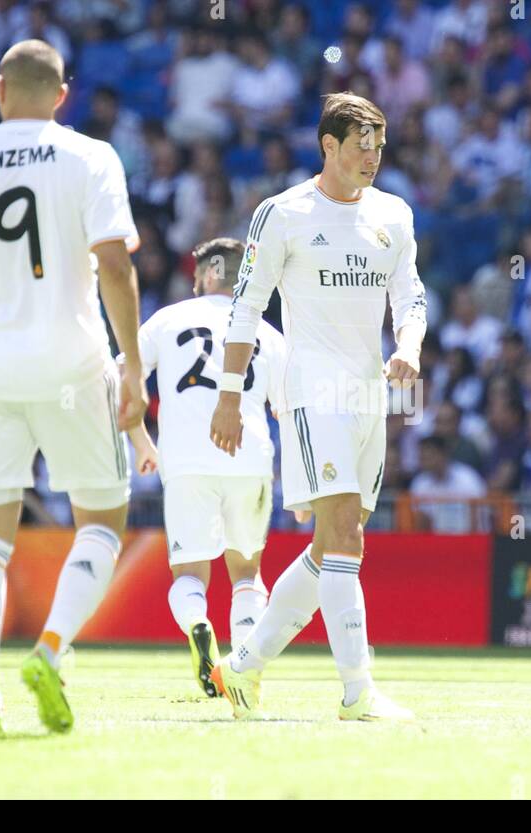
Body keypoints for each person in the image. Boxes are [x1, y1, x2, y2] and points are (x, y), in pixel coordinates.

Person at [0, 40, 148, 739]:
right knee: (102, 522)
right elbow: (114, 266)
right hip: (74, 365)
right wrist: (132, 363)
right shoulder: (91, 156)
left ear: (0, 91)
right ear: (63, 95)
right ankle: (49, 651)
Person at [209, 92, 426, 721]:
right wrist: (229, 396)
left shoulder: (395, 215)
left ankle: (242, 669)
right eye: (361, 144)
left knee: (335, 544)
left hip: (368, 395)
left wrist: (408, 346)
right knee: (343, 536)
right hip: (311, 392)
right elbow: (247, 308)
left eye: (379, 145)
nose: (372, 156)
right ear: (327, 146)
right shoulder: (283, 213)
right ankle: (358, 691)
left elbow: (410, 297)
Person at [126, 237, 287, 696]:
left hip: (185, 461)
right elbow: (290, 412)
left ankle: (199, 624)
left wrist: (142, 441)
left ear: (209, 273)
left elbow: (123, 377)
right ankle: (243, 666)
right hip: (250, 458)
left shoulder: (168, 319)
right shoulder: (266, 332)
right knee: (248, 574)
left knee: (190, 575)